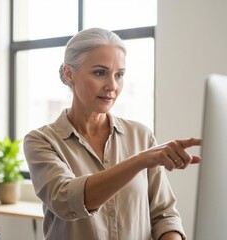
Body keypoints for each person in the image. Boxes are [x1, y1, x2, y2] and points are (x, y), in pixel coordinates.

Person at [23, 28, 201, 240]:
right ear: (69, 73)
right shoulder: (41, 141)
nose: (112, 86)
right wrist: (140, 160)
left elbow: (164, 215)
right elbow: (66, 200)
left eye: (119, 75)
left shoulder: (141, 136)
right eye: (100, 73)